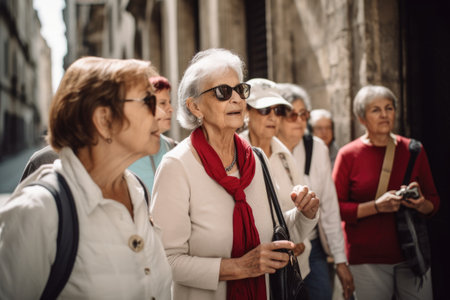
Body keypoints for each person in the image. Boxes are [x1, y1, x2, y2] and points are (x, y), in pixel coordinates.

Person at [150, 48, 320, 300]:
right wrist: (238, 267)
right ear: (195, 106)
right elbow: (164, 260)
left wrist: (305, 214)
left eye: (240, 90)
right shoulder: (177, 166)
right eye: (222, 92)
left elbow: (275, 235)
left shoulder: (256, 160)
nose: (237, 100)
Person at [0, 57, 172, 299]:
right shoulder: (38, 210)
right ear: (103, 120)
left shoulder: (137, 190)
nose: (161, 112)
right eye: (147, 101)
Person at [332, 85, 440, 300]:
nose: (384, 114)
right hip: (366, 259)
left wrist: (420, 203)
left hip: (412, 255)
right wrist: (377, 206)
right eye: (375, 110)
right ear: (362, 118)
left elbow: (434, 201)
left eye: (389, 108)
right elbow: (335, 209)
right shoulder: (348, 154)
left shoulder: (413, 150)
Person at [276, 83, 354, 300]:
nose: (300, 121)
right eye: (293, 115)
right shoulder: (264, 150)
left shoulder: (317, 147)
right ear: (278, 117)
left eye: (304, 114)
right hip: (277, 251)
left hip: (314, 247)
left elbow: (329, 207)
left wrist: (340, 260)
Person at [239, 78, 313, 279]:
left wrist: (299, 238)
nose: (273, 117)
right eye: (264, 110)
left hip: (293, 269)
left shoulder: (285, 156)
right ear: (247, 112)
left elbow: (301, 212)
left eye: (278, 110)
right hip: (255, 269)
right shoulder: (234, 154)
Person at [128, 76, 177, 194]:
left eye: (169, 102)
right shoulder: (124, 153)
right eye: (162, 103)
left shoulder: (175, 148)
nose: (170, 109)